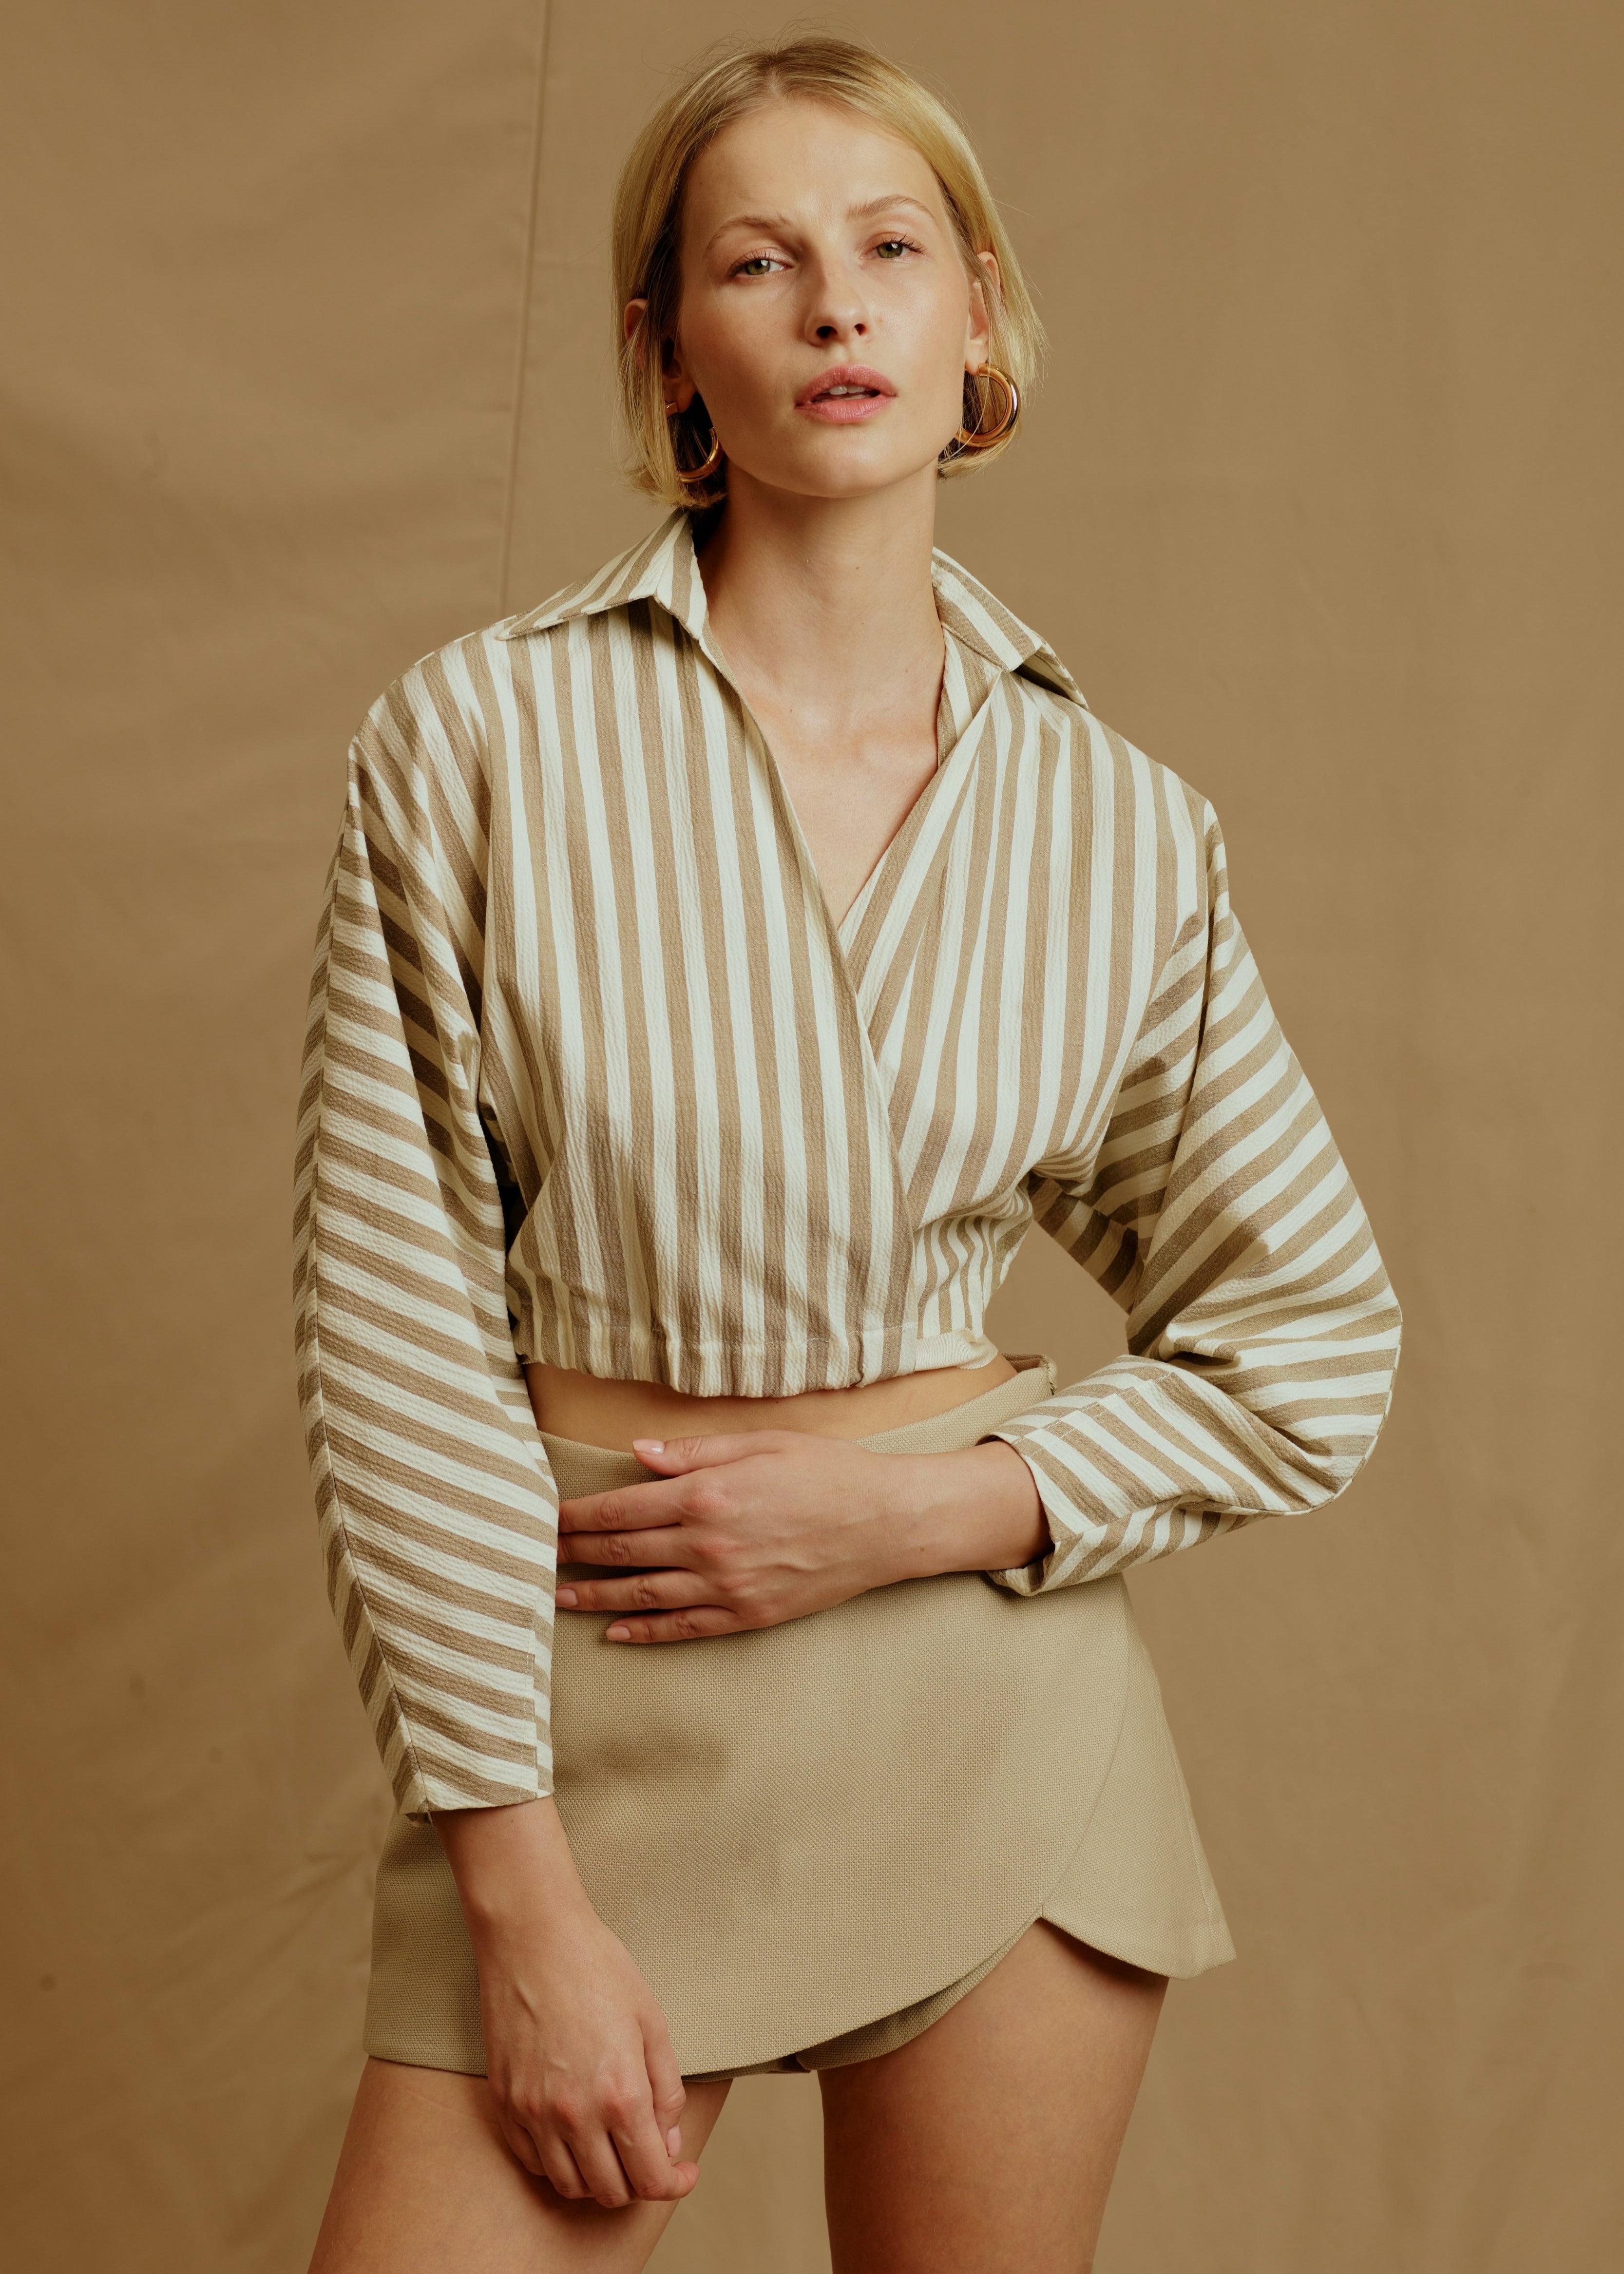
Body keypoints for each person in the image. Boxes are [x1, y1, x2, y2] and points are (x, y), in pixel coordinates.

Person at [292, 34, 1402, 2273]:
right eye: (760, 261)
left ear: (979, 319)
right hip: (575, 1723)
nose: (836, 306)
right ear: (667, 352)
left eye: (894, 249)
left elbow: (1310, 1338)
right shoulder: (479, 741)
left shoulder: (1118, 826)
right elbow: (392, 1344)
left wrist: (906, 1514)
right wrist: (517, 1886)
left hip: (991, 1715)